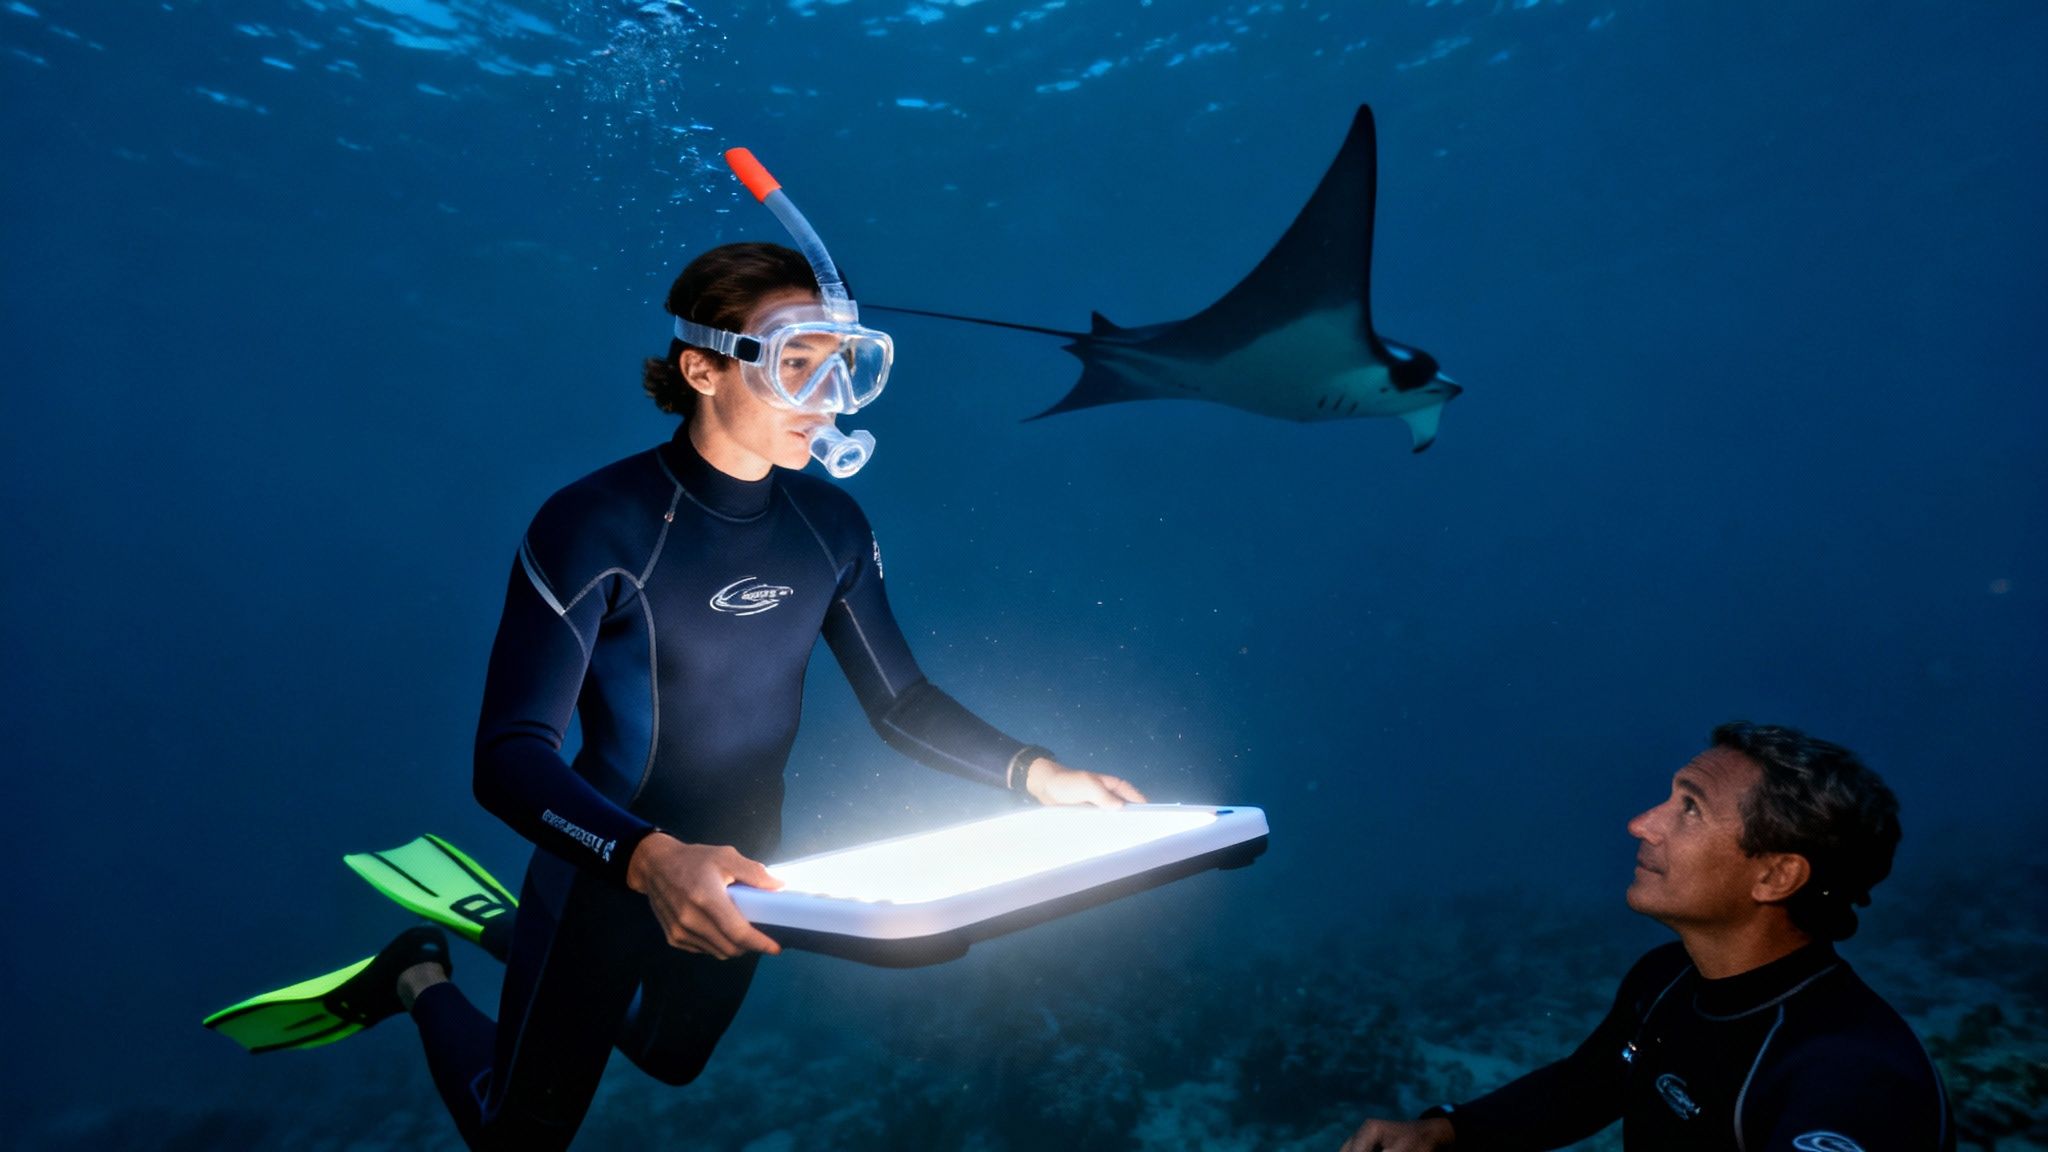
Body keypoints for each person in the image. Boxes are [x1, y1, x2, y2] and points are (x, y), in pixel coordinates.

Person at [303, 180, 1141, 1148]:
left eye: (842, 368)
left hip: (748, 860)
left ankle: (501, 934)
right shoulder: (593, 524)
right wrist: (647, 860)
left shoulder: (830, 525)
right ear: (703, 370)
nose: (823, 401)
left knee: (667, 1055)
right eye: (795, 366)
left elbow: (901, 701)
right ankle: (419, 974)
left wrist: (1040, 774)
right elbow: (508, 754)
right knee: (515, 1138)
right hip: (606, 864)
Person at [1342, 722, 1953, 1152]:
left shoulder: (1852, 1075)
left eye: (1689, 808)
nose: (1640, 824)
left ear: (1776, 874)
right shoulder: (1667, 979)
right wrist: (1448, 1131)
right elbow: (1591, 1084)